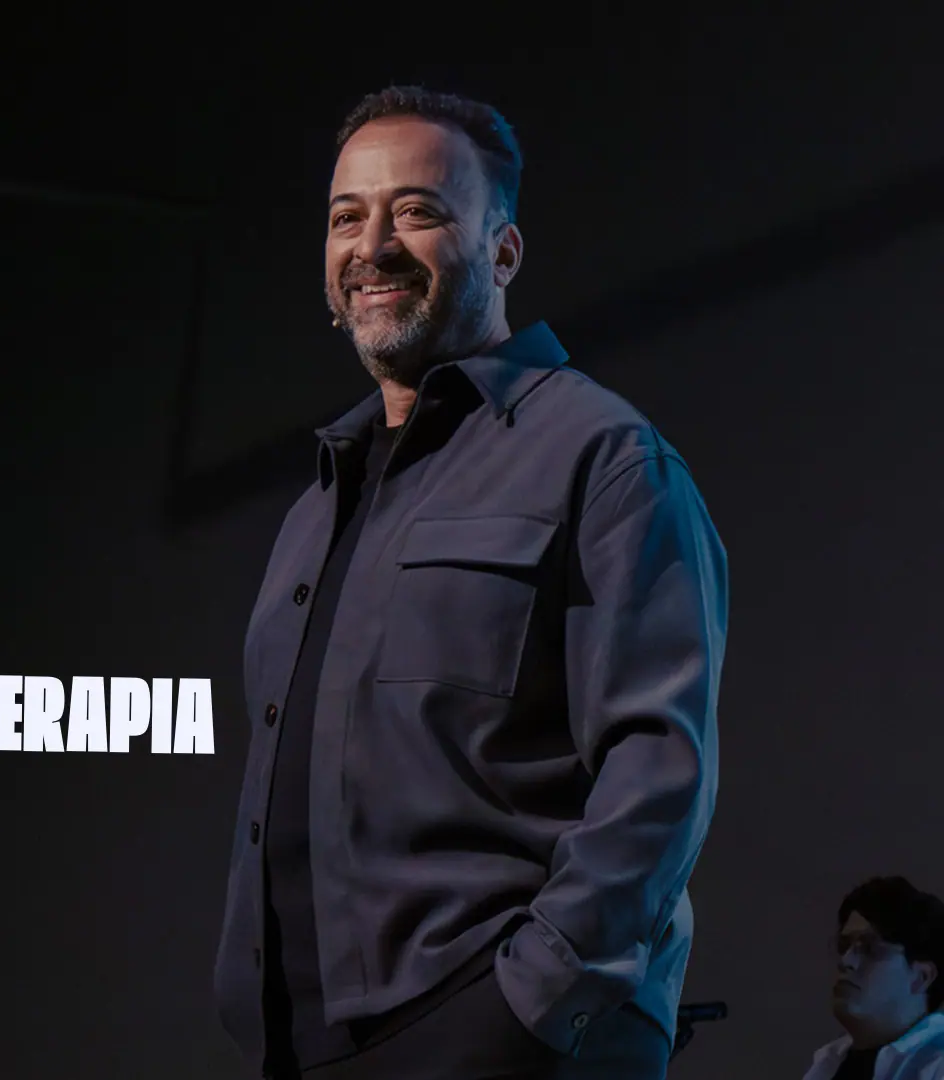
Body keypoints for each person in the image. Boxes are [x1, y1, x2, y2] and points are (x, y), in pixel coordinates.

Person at [212, 85, 730, 1080]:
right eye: (346, 218)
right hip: (305, 1047)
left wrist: (530, 1005)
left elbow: (660, 771)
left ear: (503, 253)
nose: (373, 246)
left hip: (499, 1037)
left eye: (417, 211)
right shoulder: (318, 504)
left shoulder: (604, 457)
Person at [802, 877, 944, 1080]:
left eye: (869, 948)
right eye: (844, 946)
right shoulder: (827, 1063)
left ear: (921, 977)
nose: (845, 960)